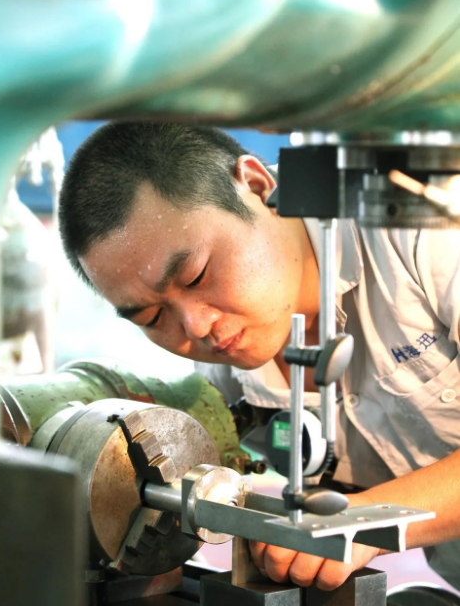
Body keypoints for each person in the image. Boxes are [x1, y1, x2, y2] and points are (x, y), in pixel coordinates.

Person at [58, 121, 460, 592]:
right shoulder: (229, 373)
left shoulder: (424, 217)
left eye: (196, 276)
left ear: (256, 185)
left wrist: (362, 521)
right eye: (152, 317)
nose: (195, 327)